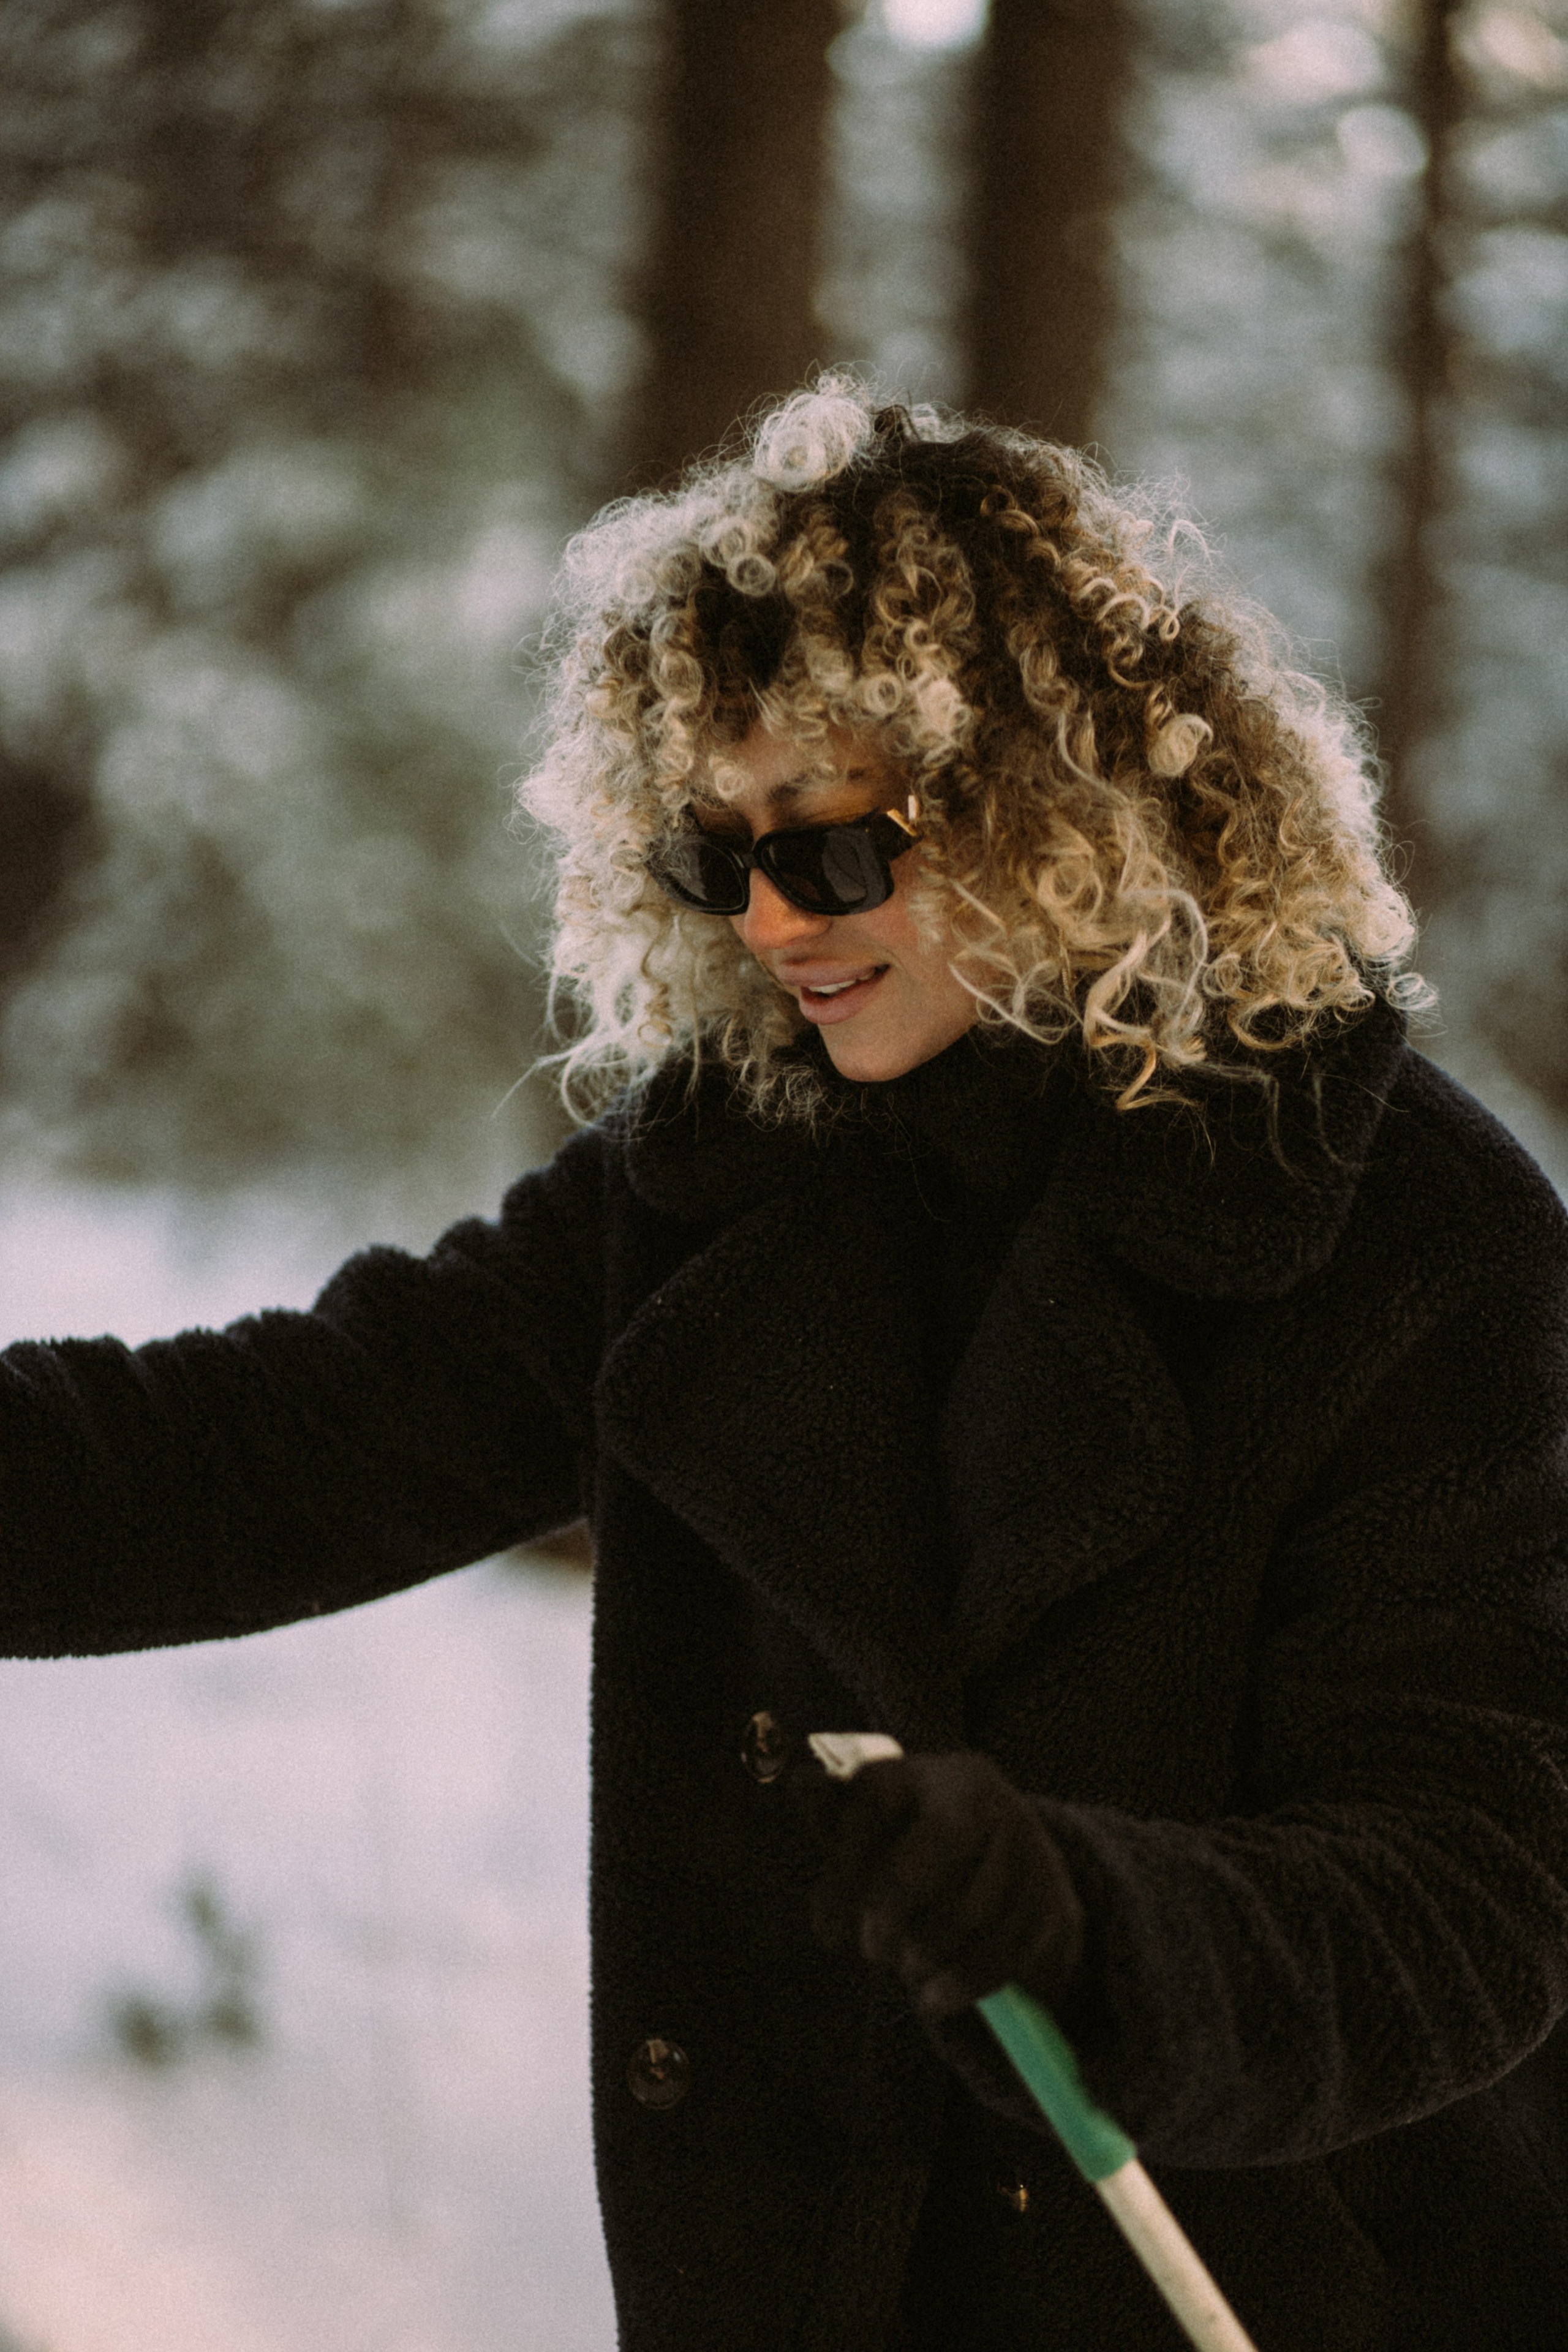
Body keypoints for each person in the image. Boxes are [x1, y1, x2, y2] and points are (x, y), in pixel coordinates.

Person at [4, 381, 1567, 2352]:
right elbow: (261, 1449)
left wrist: (1096, 1923)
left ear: (1060, 806)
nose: (767, 925)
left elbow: (1472, 1887)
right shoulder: (718, 1186)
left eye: (829, 854)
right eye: (710, 858)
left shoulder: (1411, 1232)